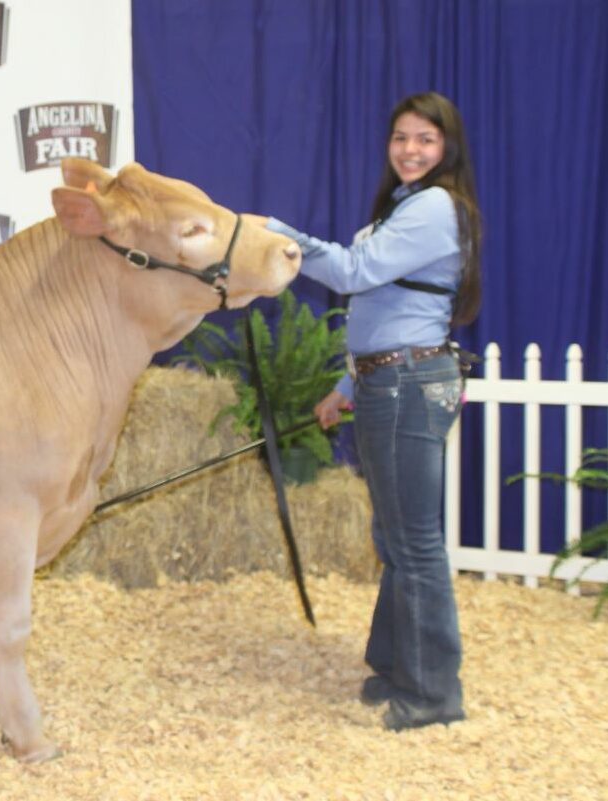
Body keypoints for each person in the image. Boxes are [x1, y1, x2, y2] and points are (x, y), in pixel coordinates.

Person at [261, 91, 483, 731]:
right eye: (401, 139)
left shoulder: (437, 206)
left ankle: (434, 695)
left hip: (409, 384)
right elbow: (384, 313)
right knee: (396, 538)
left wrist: (282, 234)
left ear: (447, 149)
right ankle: (394, 668)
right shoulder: (404, 208)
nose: (411, 150)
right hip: (393, 380)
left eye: (426, 140)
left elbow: (357, 274)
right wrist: (348, 385)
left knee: (414, 545)